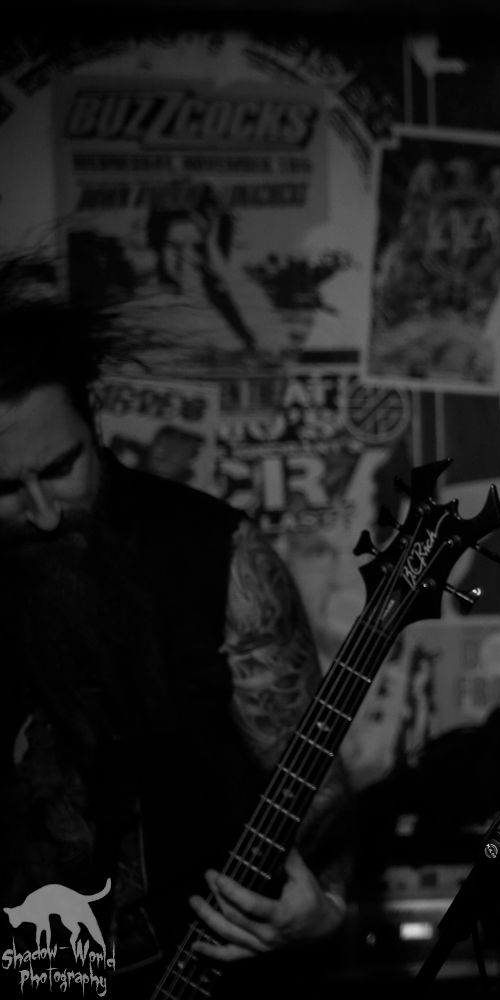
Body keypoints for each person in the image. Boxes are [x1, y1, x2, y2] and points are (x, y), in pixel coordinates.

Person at [0, 255, 350, 999]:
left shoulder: (215, 554)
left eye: (60, 468)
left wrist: (327, 908)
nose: (43, 513)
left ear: (93, 422)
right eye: (3, 488)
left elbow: (316, 792)